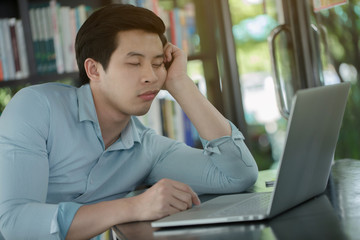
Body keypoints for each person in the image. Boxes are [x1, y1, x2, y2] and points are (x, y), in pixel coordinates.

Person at [0, 4, 258, 240]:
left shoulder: (147, 149)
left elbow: (237, 175)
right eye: (134, 63)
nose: (151, 77)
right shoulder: (36, 107)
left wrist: (181, 84)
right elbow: (15, 224)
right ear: (94, 70)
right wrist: (135, 206)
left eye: (158, 64)